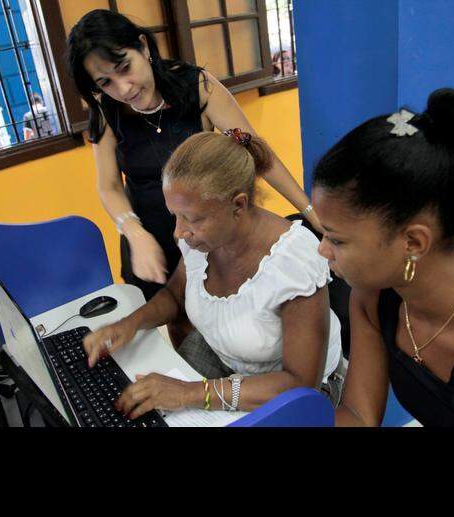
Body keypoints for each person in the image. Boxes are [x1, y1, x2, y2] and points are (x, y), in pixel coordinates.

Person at [65, 10, 322, 351]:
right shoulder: (104, 111)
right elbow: (109, 186)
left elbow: (255, 152)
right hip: (149, 239)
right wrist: (134, 233)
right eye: (105, 83)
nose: (122, 88)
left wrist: (309, 211)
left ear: (143, 47)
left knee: (234, 332)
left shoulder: (196, 86)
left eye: (124, 68)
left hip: (205, 233)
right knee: (180, 329)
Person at [80, 130, 343, 419]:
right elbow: (174, 295)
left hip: (294, 390)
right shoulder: (199, 240)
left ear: (238, 205)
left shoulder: (293, 262)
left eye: (193, 219)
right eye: (175, 216)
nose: (178, 232)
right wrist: (129, 324)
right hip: (230, 360)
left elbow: (299, 384)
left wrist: (187, 393)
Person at [312, 88, 454, 428]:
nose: (322, 249)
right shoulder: (373, 298)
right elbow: (359, 415)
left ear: (414, 241)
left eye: (336, 239)